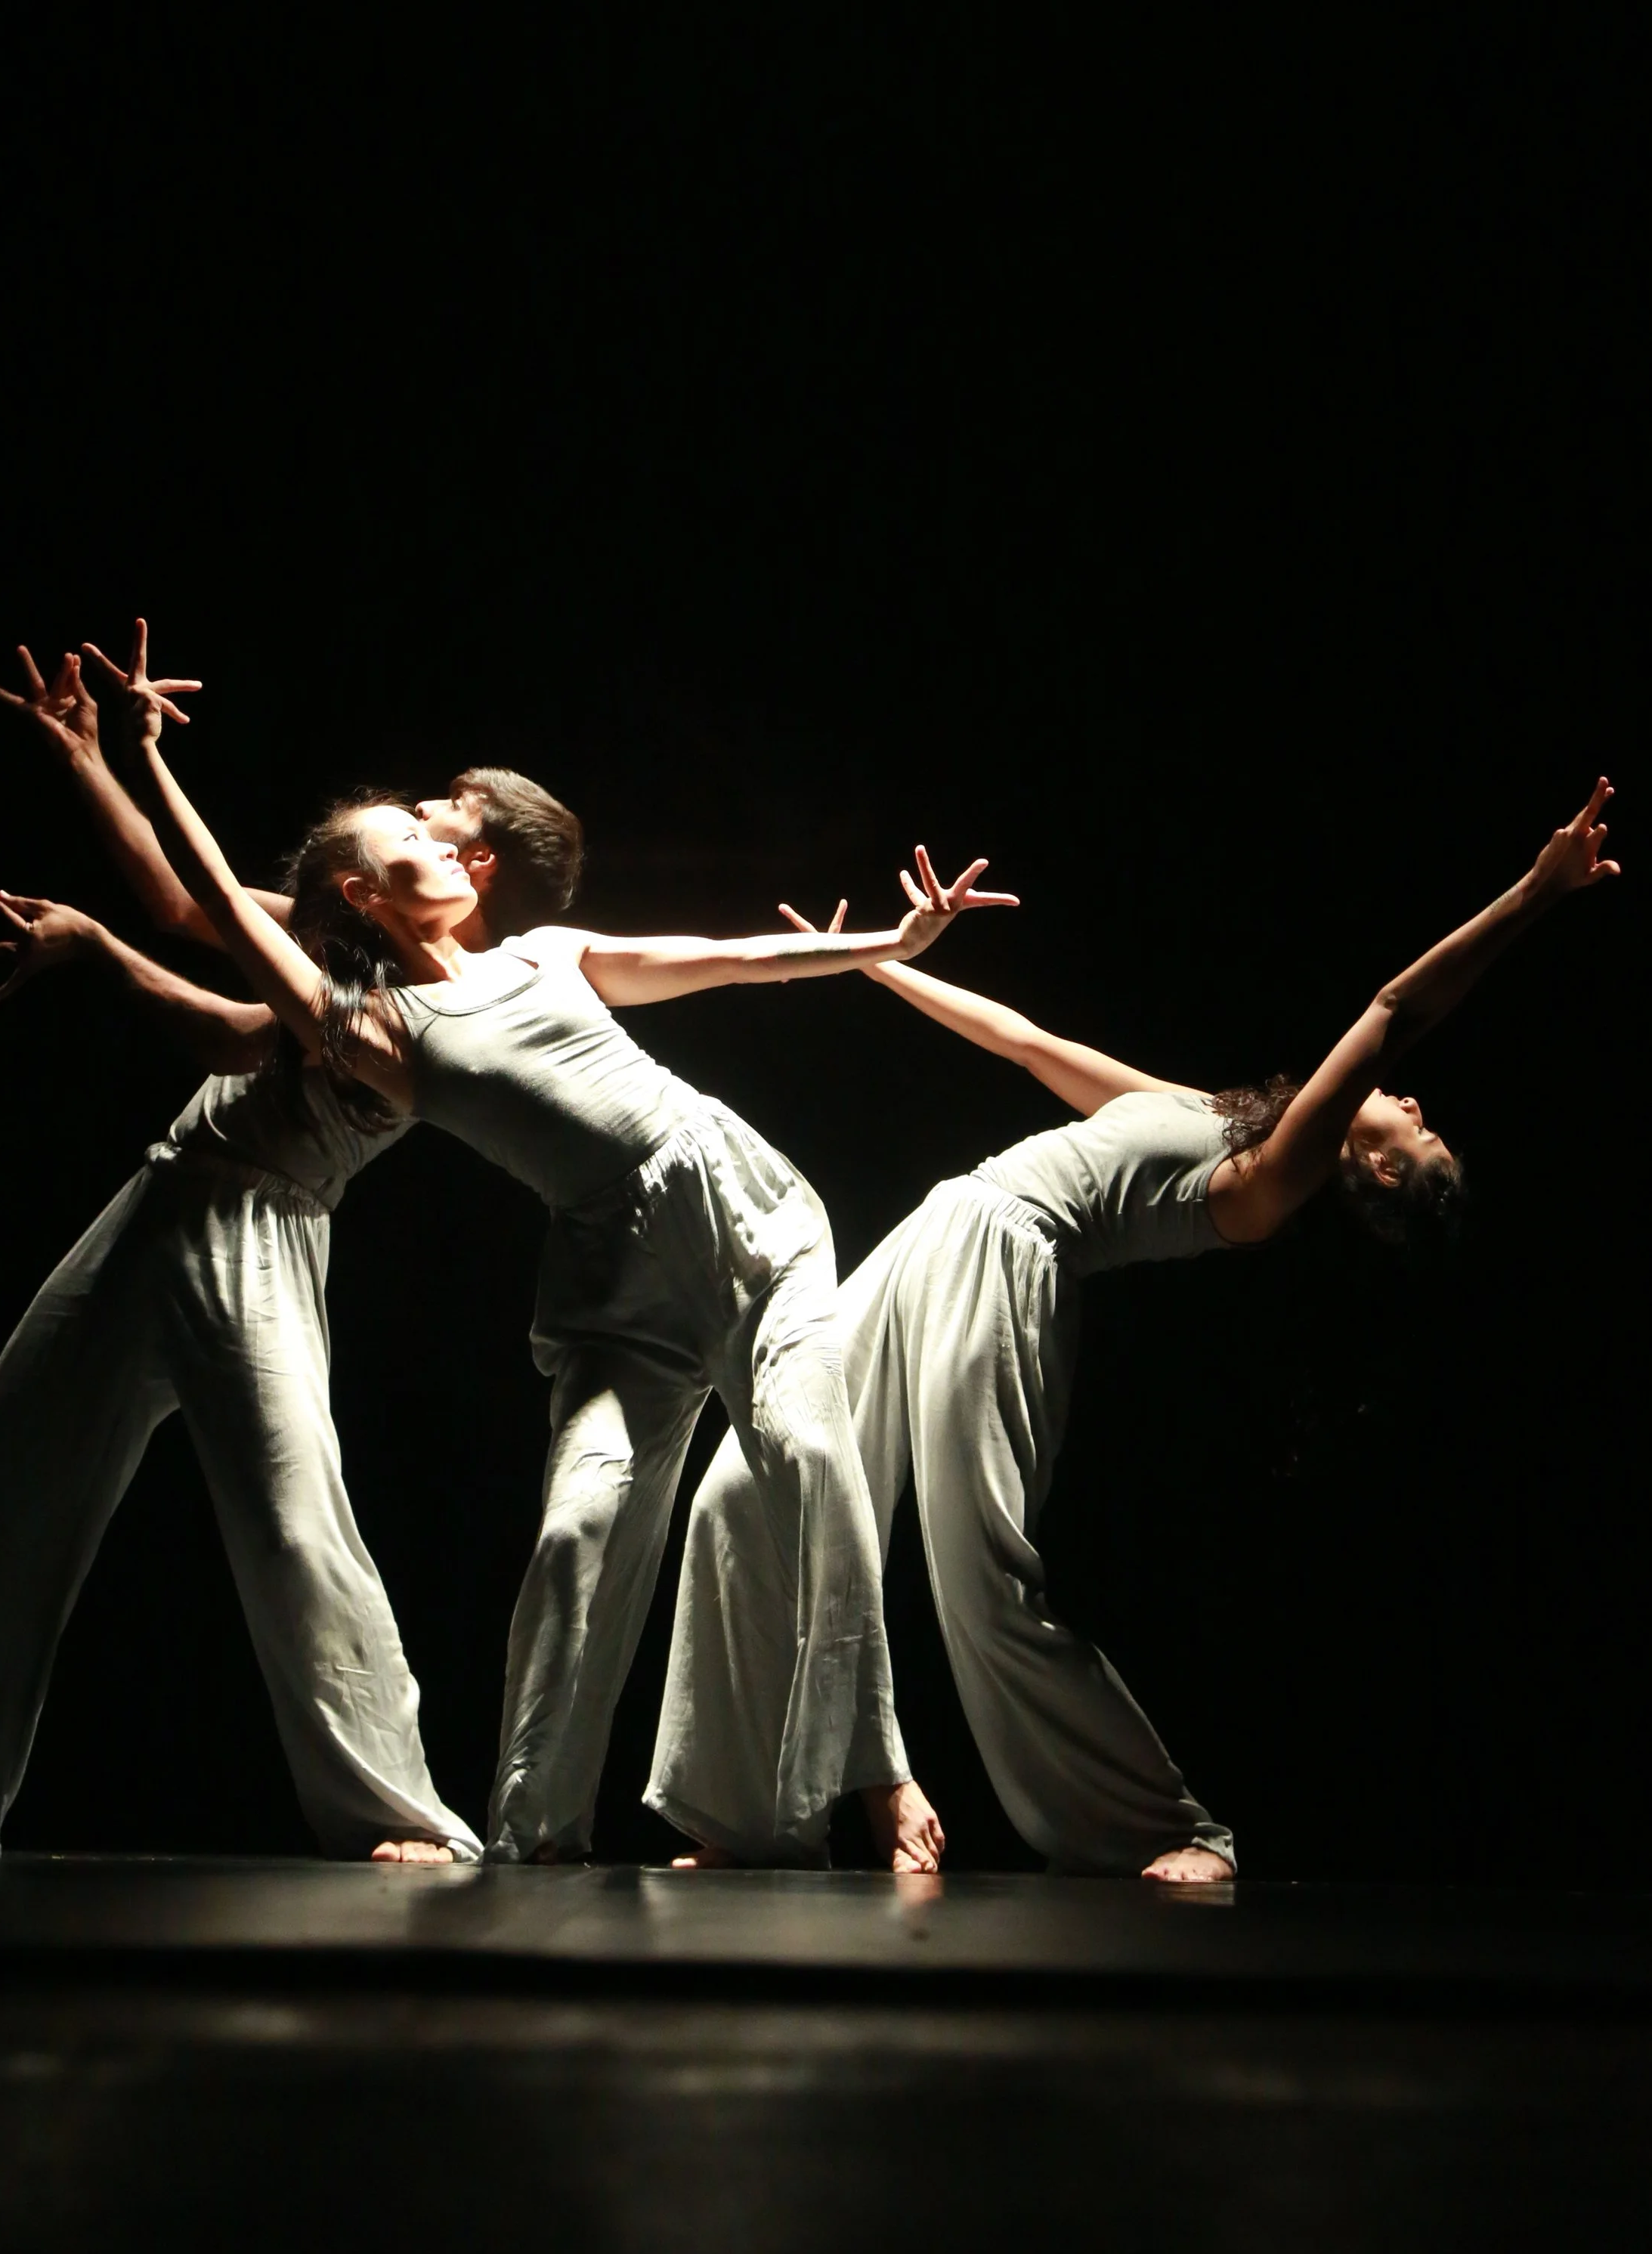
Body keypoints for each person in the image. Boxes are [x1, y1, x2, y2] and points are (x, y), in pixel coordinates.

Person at [87, 621, 1017, 1870]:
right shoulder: (377, 1028)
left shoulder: (544, 951)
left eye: (446, 828)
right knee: (578, 1530)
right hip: (616, 1285)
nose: (435, 837)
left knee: (807, 1451)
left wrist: (883, 946)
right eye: (414, 837)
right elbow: (207, 907)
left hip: (748, 1222)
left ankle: (878, 1773)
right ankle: (534, 1835)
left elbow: (729, 959)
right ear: (367, 894)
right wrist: (143, 756)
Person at [662, 782, 1621, 1883]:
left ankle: (1174, 1826)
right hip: (943, 1224)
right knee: (744, 1486)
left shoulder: (1265, 1185)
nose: (1412, 1104)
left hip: (1005, 1262)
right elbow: (1031, 1043)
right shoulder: (1212, 1117)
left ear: (1383, 1173)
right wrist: (870, 961)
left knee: (982, 1582)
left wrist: (1535, 893)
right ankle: (752, 1820)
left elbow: (1398, 1009)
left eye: (1424, 1130)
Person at [0, 660, 584, 1864]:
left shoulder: (448, 1000)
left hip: (258, 1233)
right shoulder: (361, 920)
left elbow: (228, 1028)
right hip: (165, 1194)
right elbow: (186, 905)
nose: (424, 814)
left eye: (447, 816)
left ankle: (401, 1812)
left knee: (293, 1523)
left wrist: (99, 945)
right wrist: (87, 757)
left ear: (478, 866)